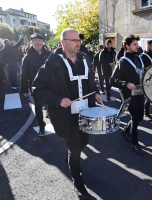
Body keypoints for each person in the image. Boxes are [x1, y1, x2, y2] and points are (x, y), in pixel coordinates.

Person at [32, 28, 102, 199]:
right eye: (74, 40)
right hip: (66, 115)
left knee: (84, 142)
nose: (78, 43)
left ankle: (70, 156)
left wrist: (96, 92)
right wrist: (58, 99)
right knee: (76, 149)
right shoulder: (52, 63)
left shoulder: (85, 59)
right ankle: (77, 179)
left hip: (86, 113)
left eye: (79, 40)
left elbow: (90, 81)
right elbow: (37, 88)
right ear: (63, 43)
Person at [110, 34, 150, 154]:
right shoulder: (123, 61)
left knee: (140, 117)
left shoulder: (138, 59)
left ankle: (126, 130)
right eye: (134, 44)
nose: (137, 46)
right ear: (127, 46)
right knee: (135, 117)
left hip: (140, 93)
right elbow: (113, 79)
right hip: (129, 94)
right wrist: (126, 83)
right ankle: (135, 143)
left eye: (137, 44)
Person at [21, 33, 51, 136]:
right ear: (31, 42)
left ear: (43, 42)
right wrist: (24, 89)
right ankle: (41, 126)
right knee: (38, 107)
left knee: (52, 104)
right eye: (35, 41)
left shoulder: (49, 54)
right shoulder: (27, 57)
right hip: (35, 87)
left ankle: (53, 119)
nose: (37, 42)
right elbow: (24, 74)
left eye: (39, 40)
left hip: (49, 85)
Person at [140, 40, 152, 121]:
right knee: (147, 97)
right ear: (148, 46)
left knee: (149, 97)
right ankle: (145, 114)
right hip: (145, 80)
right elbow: (140, 70)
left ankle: (145, 112)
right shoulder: (143, 57)